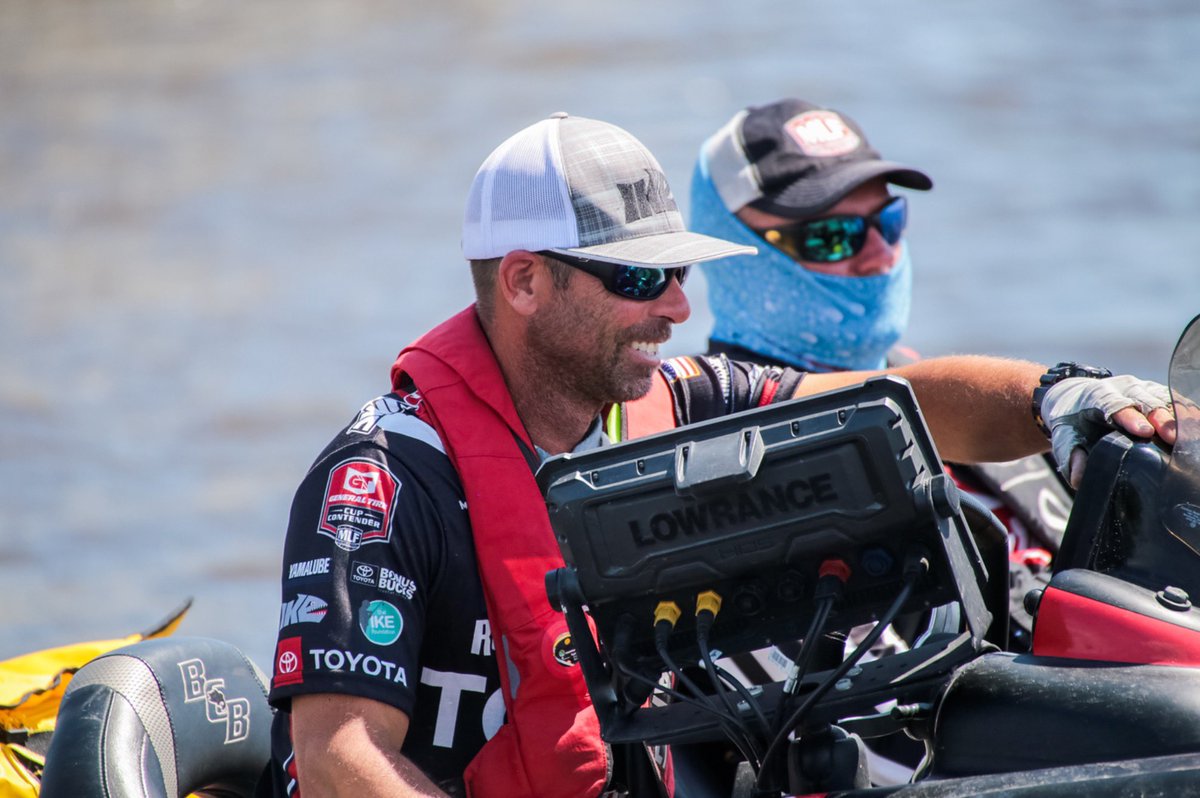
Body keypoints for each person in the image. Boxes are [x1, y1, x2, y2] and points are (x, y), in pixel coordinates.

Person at [261, 112, 1175, 798]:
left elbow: (905, 405)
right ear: (525, 280)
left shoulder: (678, 403)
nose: (675, 308)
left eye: (678, 273)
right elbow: (339, 756)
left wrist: (1064, 396)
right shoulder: (380, 480)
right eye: (636, 279)